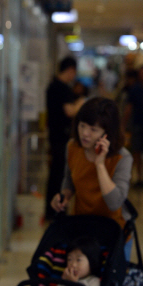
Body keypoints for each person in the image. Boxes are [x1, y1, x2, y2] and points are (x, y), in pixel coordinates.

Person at [50, 97, 133, 260]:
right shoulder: (73, 147)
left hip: (114, 231)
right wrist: (63, 197)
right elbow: (69, 179)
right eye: (82, 126)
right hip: (83, 228)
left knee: (109, 284)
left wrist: (100, 164)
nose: (85, 134)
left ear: (107, 133)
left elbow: (114, 202)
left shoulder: (122, 158)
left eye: (93, 129)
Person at [45, 56, 85, 220]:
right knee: (60, 176)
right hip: (61, 138)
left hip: (56, 136)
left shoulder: (53, 86)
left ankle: (54, 210)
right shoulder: (61, 88)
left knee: (57, 174)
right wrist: (81, 104)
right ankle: (57, 210)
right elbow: (70, 111)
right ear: (70, 70)